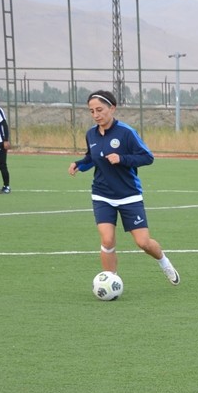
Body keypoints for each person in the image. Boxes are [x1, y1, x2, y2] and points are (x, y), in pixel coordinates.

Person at [67, 90, 180, 286]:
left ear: (112, 108)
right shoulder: (91, 134)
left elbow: (147, 157)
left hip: (129, 195)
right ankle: (111, 282)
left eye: (100, 110)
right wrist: (79, 164)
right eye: (92, 111)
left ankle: (164, 262)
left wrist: (122, 159)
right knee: (107, 240)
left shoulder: (126, 133)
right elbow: (92, 157)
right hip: (102, 194)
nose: (96, 115)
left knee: (143, 242)